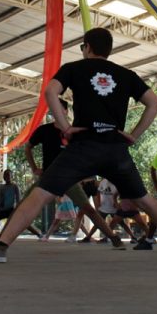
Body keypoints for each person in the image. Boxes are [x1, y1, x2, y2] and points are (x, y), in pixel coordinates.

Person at [0, 27, 157, 262]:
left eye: (83, 47)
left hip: (83, 147)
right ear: (109, 50)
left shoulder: (73, 69)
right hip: (115, 149)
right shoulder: (126, 74)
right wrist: (134, 135)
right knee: (144, 199)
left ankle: (0, 247)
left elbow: (51, 92)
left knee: (40, 194)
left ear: (87, 47)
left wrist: (65, 127)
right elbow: (154, 103)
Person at [25, 101, 124, 247]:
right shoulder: (44, 130)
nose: (55, 111)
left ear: (65, 111)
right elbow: (28, 147)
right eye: (52, 109)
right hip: (49, 176)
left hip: (70, 178)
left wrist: (84, 174)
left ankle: (113, 237)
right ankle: (1, 240)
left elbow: (85, 155)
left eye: (58, 108)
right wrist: (34, 167)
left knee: (88, 209)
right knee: (24, 205)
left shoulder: (76, 132)